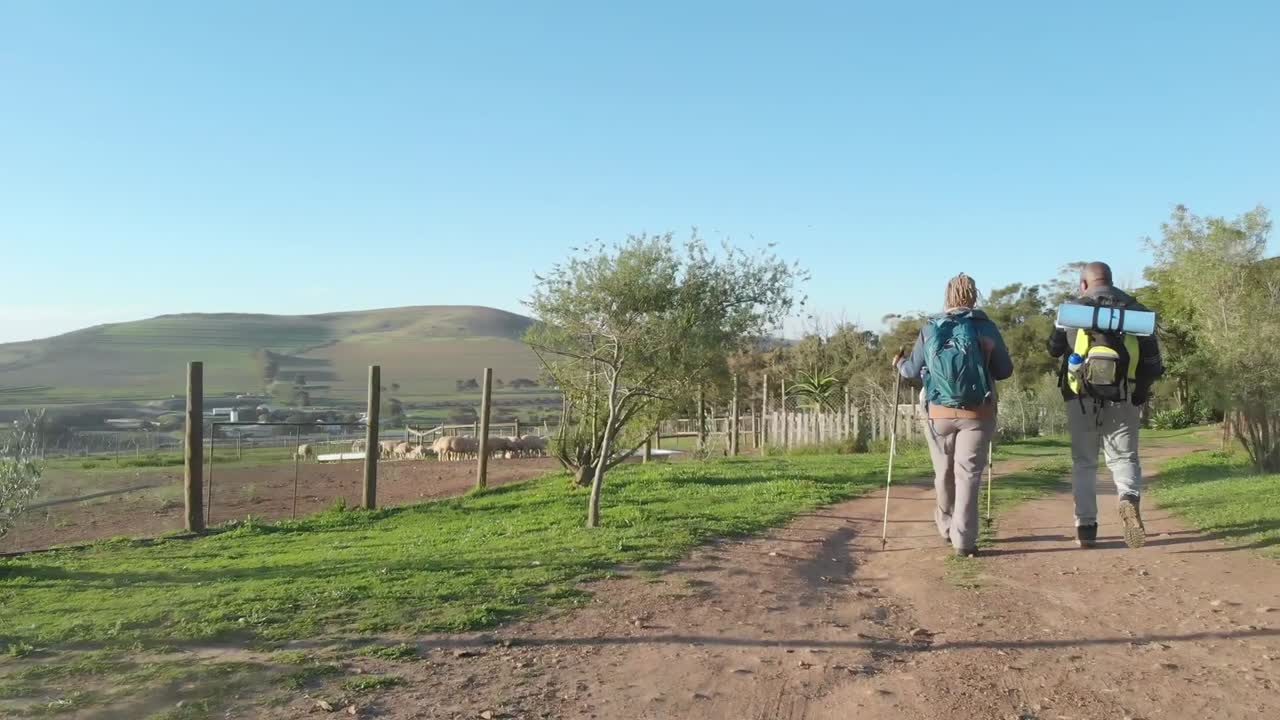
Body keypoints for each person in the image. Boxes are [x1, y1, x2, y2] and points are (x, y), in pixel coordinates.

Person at [894, 273, 1013, 557]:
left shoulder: (931, 328)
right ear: (974, 296)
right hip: (978, 412)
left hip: (938, 413)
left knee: (943, 472)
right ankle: (964, 541)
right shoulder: (985, 327)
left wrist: (898, 363)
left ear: (947, 296)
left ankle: (945, 524)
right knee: (968, 475)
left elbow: (911, 371)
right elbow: (1005, 371)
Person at [1047, 261, 1164, 549]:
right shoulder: (1136, 312)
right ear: (1110, 280)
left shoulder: (1074, 311)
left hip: (1080, 396)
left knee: (1084, 463)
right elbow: (1153, 363)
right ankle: (1127, 497)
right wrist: (1141, 392)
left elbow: (1053, 350)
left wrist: (1062, 330)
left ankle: (1086, 528)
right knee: (1123, 458)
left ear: (1084, 284)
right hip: (1124, 394)